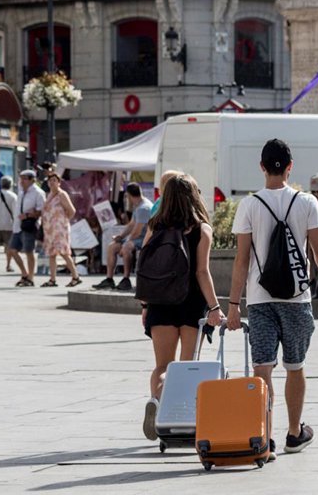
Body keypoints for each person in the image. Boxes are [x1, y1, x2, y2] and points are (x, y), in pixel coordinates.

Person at [228, 139, 318, 457]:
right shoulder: (307, 202)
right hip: (297, 298)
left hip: (260, 299)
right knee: (295, 366)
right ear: (290, 167)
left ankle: (264, 440)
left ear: (261, 167)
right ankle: (294, 433)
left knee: (262, 369)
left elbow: (241, 260)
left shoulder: (249, 205)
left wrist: (233, 305)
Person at [140, 174, 224, 442]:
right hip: (191, 304)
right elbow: (202, 272)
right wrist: (215, 307)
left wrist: (145, 304)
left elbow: (145, 266)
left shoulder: (155, 225)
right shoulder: (202, 229)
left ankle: (156, 401)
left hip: (160, 302)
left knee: (162, 366)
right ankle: (182, 422)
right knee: (187, 366)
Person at [95, 183, 153, 291]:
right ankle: (109, 279)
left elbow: (137, 232)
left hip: (145, 239)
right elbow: (131, 225)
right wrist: (121, 236)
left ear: (129, 195)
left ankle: (126, 279)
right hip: (138, 237)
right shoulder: (138, 205)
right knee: (112, 247)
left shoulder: (143, 208)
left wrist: (126, 242)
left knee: (126, 247)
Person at [39, 173, 80, 287]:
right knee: (52, 254)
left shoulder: (62, 194)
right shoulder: (50, 195)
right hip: (50, 230)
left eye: (54, 180)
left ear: (59, 182)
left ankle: (75, 276)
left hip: (60, 229)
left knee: (64, 252)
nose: (52, 182)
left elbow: (72, 210)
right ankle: (52, 279)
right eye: (50, 181)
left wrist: (63, 221)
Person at [11, 170, 45, 287]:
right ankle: (24, 274)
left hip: (29, 225)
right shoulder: (21, 191)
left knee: (29, 251)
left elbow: (41, 210)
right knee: (12, 250)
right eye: (21, 178)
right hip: (18, 225)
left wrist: (28, 215)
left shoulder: (38, 193)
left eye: (24, 178)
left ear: (32, 180)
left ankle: (30, 278)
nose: (22, 181)